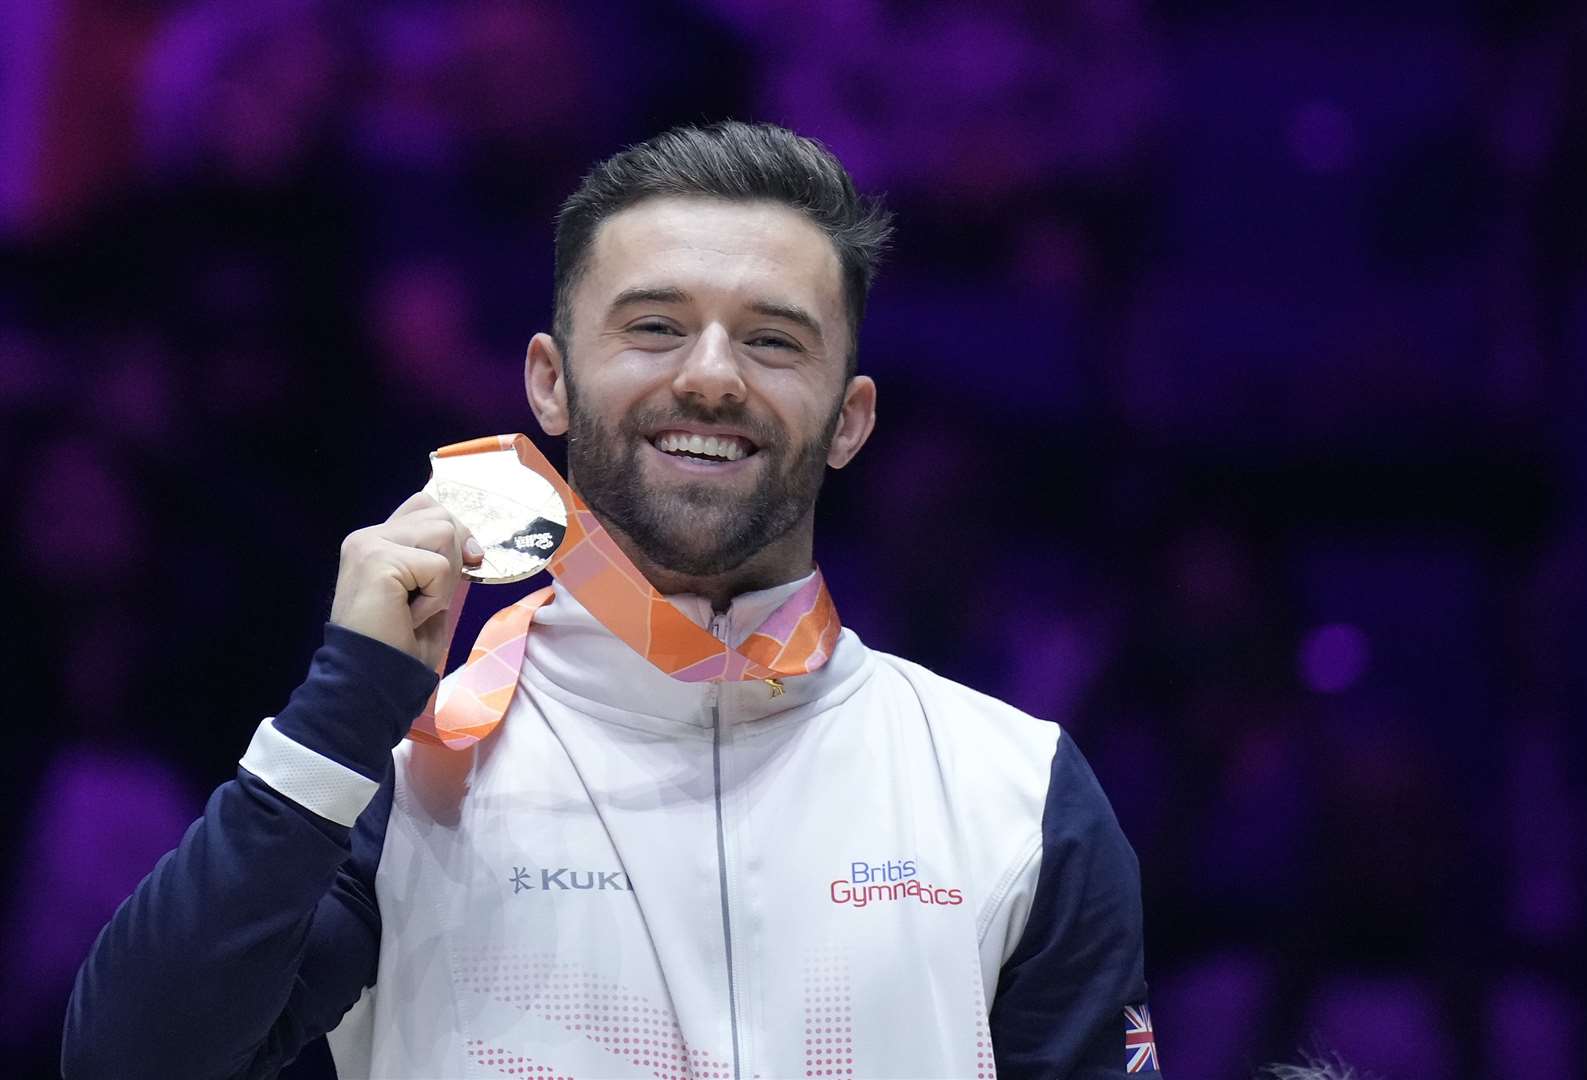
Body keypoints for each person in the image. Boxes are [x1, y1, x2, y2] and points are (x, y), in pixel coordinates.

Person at [63, 121, 1156, 1079]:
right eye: (653, 327)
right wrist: (344, 705)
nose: (712, 376)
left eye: (774, 340)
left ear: (849, 418)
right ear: (549, 382)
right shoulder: (406, 786)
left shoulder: (1017, 791)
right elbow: (125, 1062)